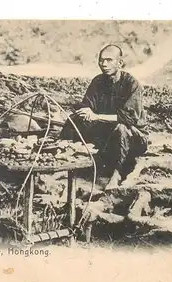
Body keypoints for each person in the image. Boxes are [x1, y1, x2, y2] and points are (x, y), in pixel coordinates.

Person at [58, 44, 148, 189]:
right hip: (106, 133)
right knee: (74, 119)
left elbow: (128, 118)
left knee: (121, 129)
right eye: (101, 60)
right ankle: (63, 161)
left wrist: (96, 116)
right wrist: (85, 110)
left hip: (133, 136)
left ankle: (116, 175)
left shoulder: (132, 84)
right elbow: (87, 103)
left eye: (108, 60)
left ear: (120, 63)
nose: (103, 64)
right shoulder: (98, 81)